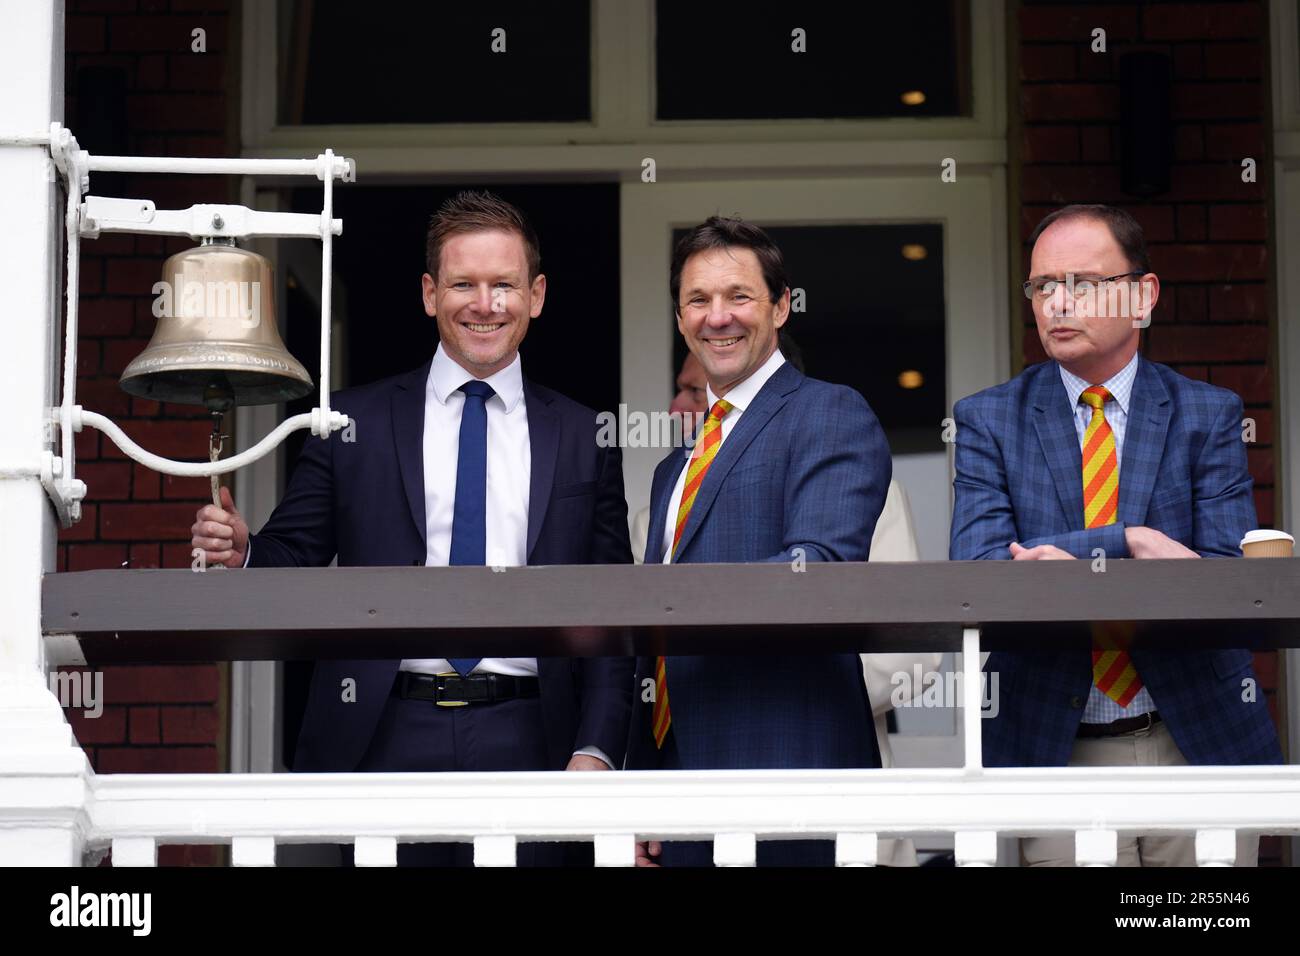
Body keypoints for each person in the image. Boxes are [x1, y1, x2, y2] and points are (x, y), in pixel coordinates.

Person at [190, 190, 635, 866]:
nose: (484, 304)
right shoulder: (350, 422)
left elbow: (612, 607)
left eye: (503, 285)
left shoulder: (584, 435)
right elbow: (293, 554)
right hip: (382, 734)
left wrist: (597, 747)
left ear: (536, 295)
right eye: (463, 284)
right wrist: (246, 552)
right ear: (430, 293)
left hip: (535, 739)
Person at [950, 203, 1282, 866]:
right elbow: (984, 571)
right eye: (1042, 286)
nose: (1055, 303)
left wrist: (1068, 557)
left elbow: (1230, 583)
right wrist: (1129, 541)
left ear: (1142, 295)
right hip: (1054, 746)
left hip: (1193, 741)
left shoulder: (1206, 414)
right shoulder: (989, 420)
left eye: (1080, 283)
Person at [628, 216, 891, 867]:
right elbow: (648, 645)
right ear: (681, 316)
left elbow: (818, 569)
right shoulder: (674, 469)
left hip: (787, 773)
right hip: (677, 783)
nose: (718, 317)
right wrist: (639, 776)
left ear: (779, 306)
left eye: (739, 296)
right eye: (698, 300)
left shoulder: (829, 411)